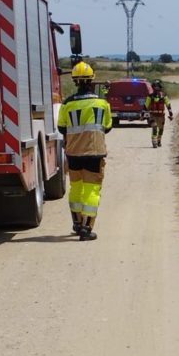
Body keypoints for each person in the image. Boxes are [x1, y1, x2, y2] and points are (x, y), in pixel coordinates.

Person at [56, 61, 112, 241]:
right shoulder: (102, 103)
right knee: (91, 190)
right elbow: (107, 127)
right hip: (95, 153)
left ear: (75, 81)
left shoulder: (67, 104)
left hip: (73, 153)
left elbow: (61, 128)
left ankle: (77, 223)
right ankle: (86, 229)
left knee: (76, 188)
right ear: (91, 80)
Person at [144, 80, 173, 148]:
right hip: (152, 115)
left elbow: (168, 104)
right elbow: (145, 106)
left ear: (160, 87)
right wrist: (142, 114)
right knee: (154, 127)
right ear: (153, 88)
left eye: (158, 87)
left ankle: (159, 140)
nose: (156, 88)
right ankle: (154, 141)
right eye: (155, 87)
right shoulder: (150, 96)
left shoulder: (164, 96)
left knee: (161, 129)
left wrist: (170, 113)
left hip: (161, 116)